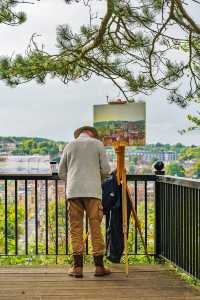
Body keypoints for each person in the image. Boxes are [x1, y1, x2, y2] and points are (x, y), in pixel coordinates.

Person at [58, 126, 111, 278]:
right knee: (95, 227)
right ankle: (99, 267)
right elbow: (106, 170)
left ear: (79, 134)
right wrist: (96, 179)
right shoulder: (97, 144)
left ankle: (77, 268)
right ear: (92, 134)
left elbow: (61, 172)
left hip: (73, 192)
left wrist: (74, 181)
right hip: (93, 192)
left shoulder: (69, 145)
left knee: (75, 228)